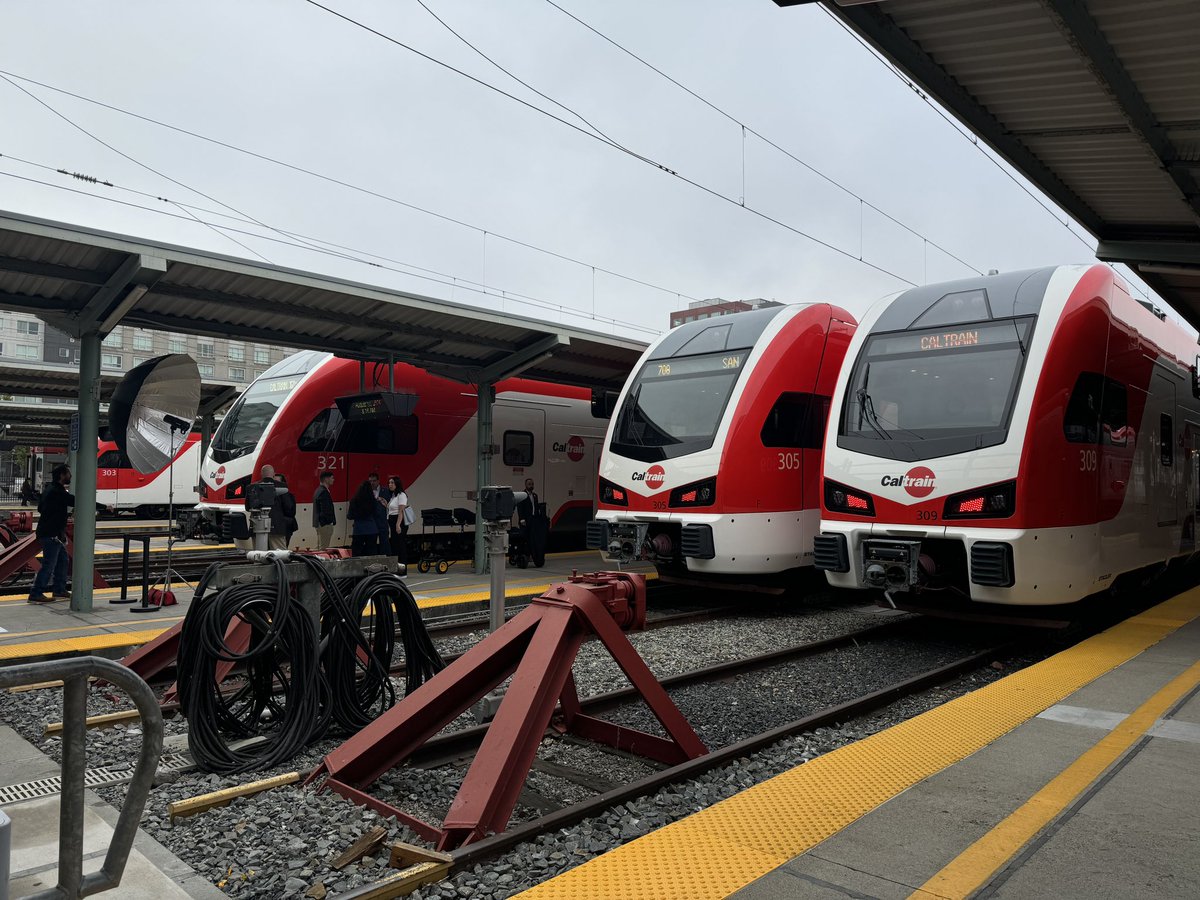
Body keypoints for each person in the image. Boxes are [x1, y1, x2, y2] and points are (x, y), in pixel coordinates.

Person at [28, 464, 73, 604]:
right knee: (49, 565)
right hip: (51, 534)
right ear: (62, 476)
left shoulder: (50, 489)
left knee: (62, 561)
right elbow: (76, 501)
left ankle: (59, 589)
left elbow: (41, 508)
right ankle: (36, 593)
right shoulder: (57, 492)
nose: (70, 476)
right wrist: (103, 506)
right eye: (68, 474)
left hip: (53, 533)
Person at [347, 480, 379, 556]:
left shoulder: (354, 500)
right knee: (371, 552)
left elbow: (350, 516)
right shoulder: (373, 501)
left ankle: (357, 567)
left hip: (359, 530)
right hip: (372, 529)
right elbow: (376, 514)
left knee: (357, 552)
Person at [386, 476, 409, 564]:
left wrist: (398, 524)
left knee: (400, 546)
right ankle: (397, 568)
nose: (390, 485)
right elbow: (392, 509)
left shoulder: (401, 495)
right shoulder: (393, 496)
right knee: (395, 545)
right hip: (393, 521)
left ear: (397, 484)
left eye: (392, 483)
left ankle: (403, 570)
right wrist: (385, 503)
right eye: (389, 483)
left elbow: (401, 511)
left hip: (399, 521)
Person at [273, 473, 298, 550]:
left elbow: (291, 511)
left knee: (283, 547)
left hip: (286, 525)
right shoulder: (272, 495)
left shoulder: (288, 495)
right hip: (278, 526)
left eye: (277, 482)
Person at [312, 470, 336, 549]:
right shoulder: (323, 492)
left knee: (319, 546)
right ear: (326, 479)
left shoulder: (318, 490)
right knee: (323, 548)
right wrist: (327, 522)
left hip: (319, 524)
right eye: (332, 478)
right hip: (324, 525)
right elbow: (325, 510)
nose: (333, 480)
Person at [368, 471, 391, 555]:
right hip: (371, 522)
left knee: (384, 543)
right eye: (370, 481)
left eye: (374, 481)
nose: (372, 483)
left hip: (382, 521)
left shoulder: (385, 491)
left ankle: (386, 559)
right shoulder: (367, 491)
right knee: (371, 544)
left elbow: (390, 505)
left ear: (378, 481)